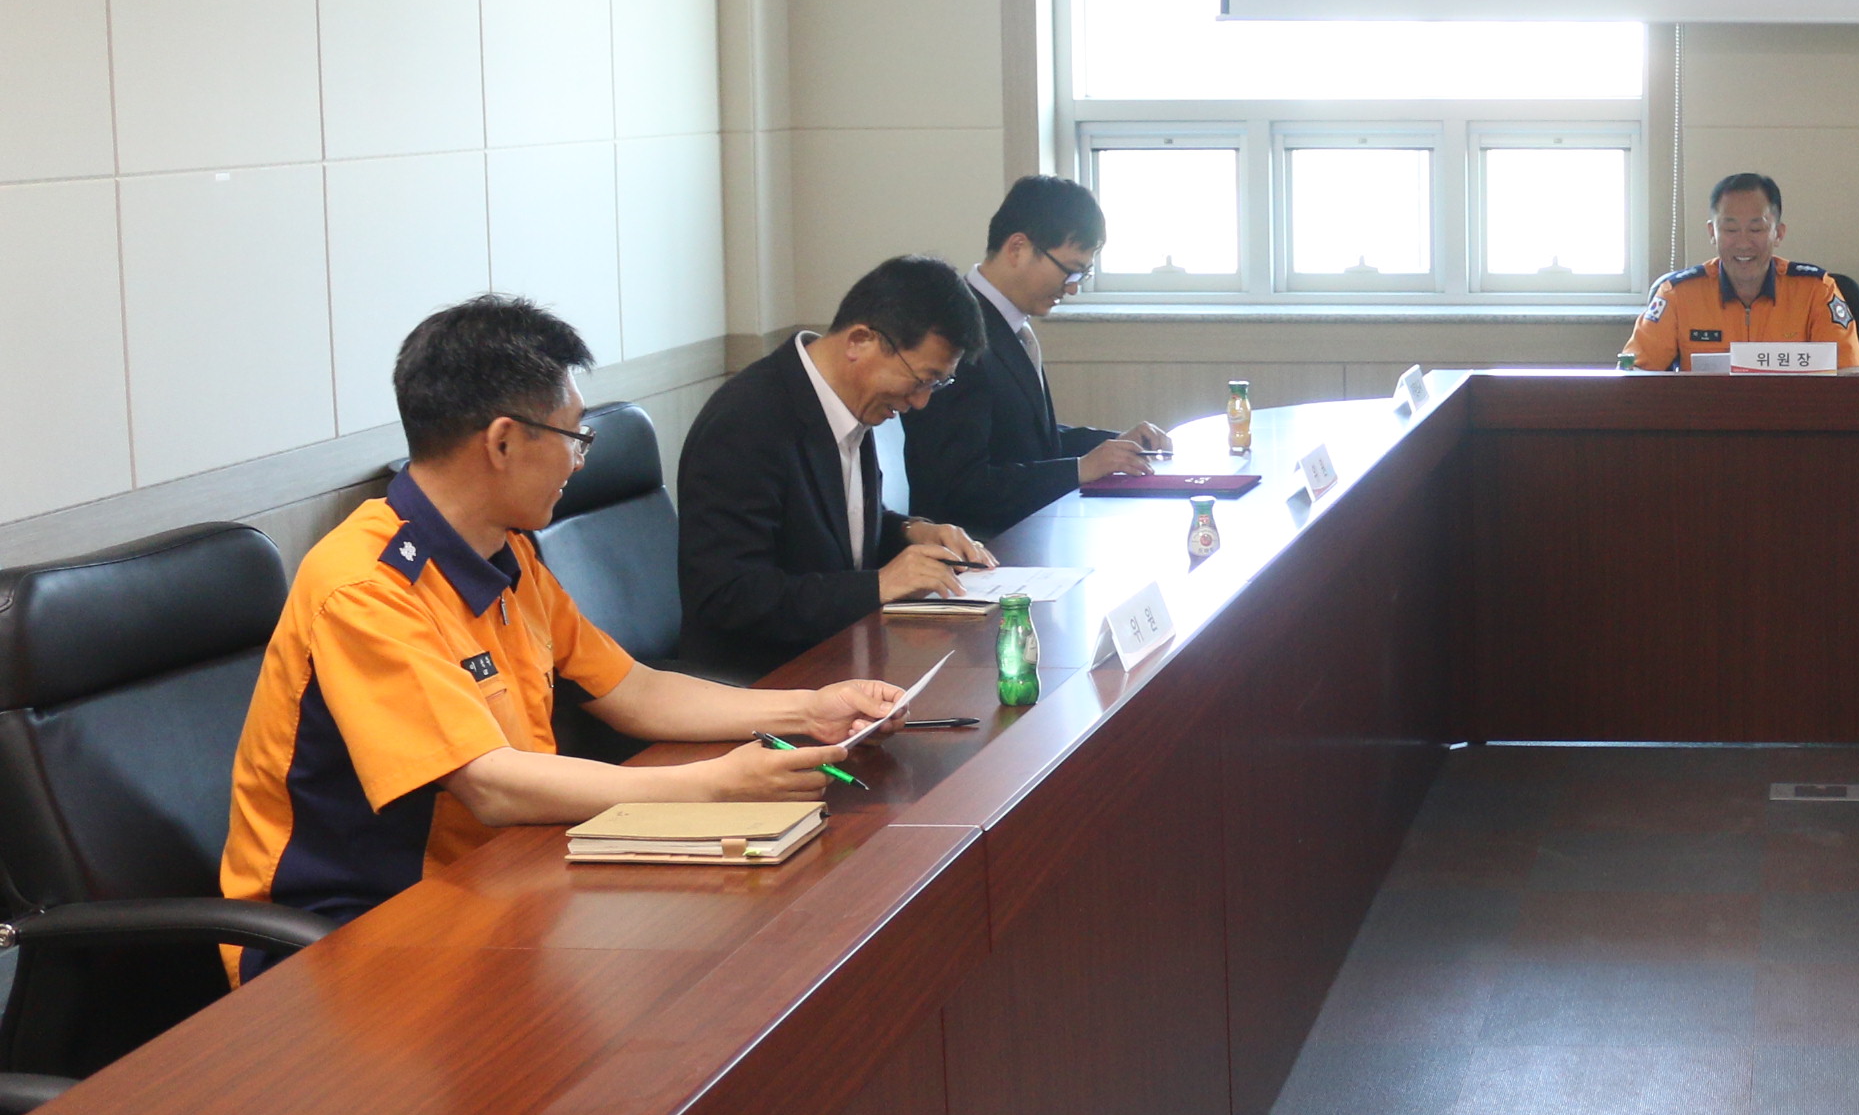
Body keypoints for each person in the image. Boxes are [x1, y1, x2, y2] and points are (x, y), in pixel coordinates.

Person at [222, 297, 896, 974]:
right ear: (503, 442)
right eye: (575, 436)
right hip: (354, 933)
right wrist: (715, 784)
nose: (579, 461)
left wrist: (809, 709)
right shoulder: (367, 588)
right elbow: (491, 785)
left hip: (496, 878)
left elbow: (634, 691)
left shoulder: (504, 550)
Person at [678, 255, 1001, 675]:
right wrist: (878, 585)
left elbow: (832, 530)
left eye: (937, 384)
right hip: (764, 679)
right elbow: (729, 594)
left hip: (844, 657)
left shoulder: (847, 402)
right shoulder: (746, 422)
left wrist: (911, 531)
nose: (921, 402)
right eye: (921, 379)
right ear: (860, 341)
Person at [908, 174, 1177, 538]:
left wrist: (1112, 446)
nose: (1072, 288)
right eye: (1070, 270)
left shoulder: (1009, 324)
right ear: (1018, 248)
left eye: (1083, 274)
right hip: (985, 546)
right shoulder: (957, 335)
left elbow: (1025, 439)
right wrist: (1079, 469)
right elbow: (958, 489)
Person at [1624, 171, 1859, 371]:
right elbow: (1634, 377)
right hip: (1704, 415)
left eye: (1756, 229)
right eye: (1730, 230)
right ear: (1712, 233)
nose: (1743, 243)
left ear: (1778, 233)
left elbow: (1847, 378)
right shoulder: (1677, 294)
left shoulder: (1816, 290)